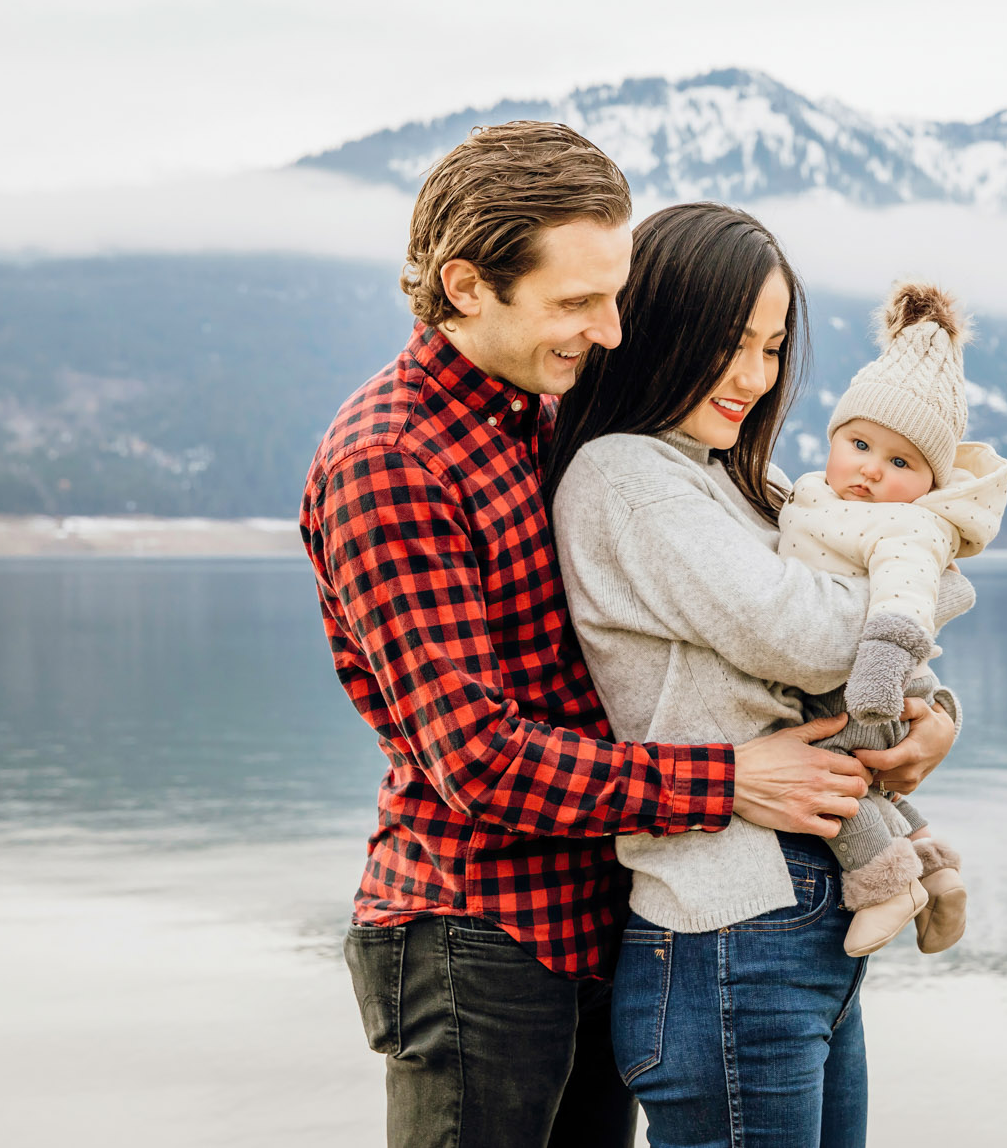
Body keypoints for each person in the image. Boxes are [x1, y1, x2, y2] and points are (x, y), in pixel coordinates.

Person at [299, 123, 916, 1148]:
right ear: (464, 285)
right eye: (577, 302)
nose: (613, 330)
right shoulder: (392, 460)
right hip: (473, 934)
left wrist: (922, 710)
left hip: (599, 913)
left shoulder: (542, 415)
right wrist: (728, 781)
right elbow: (478, 758)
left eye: (616, 294)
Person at [547, 202, 973, 1148]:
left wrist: (938, 713)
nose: (753, 375)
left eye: (774, 347)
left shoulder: (741, 484)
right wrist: (929, 568)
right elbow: (810, 635)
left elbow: (864, 630)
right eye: (732, 342)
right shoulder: (624, 477)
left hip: (799, 927)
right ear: (660, 326)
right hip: (725, 931)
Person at [775, 280, 1007, 956]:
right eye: (859, 444)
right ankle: (933, 867)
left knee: (823, 772)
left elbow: (906, 601)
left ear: (930, 483)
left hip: (873, 682)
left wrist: (876, 679)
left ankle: (885, 886)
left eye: (900, 461)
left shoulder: (908, 527)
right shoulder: (810, 493)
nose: (871, 471)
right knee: (871, 784)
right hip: (855, 681)